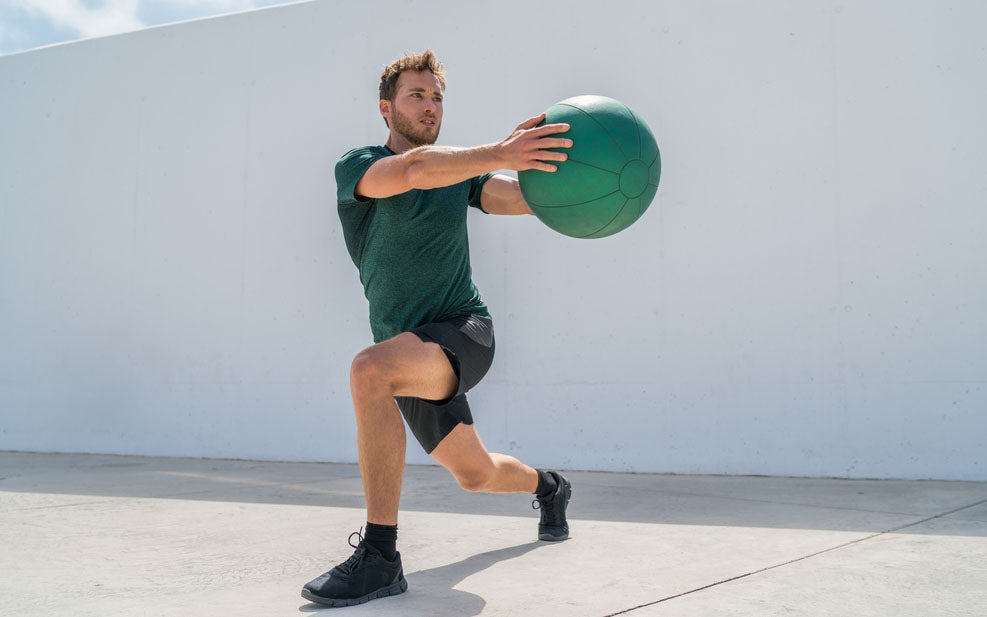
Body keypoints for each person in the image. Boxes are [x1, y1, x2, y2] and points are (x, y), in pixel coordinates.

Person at [301, 49, 574, 608]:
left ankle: (380, 556)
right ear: (386, 108)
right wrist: (497, 151)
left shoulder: (462, 175)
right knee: (475, 474)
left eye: (437, 97)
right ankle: (550, 487)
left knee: (368, 370)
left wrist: (576, 184)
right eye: (416, 95)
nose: (430, 106)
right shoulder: (358, 167)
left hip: (465, 331)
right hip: (412, 352)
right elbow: (414, 171)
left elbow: (522, 199)